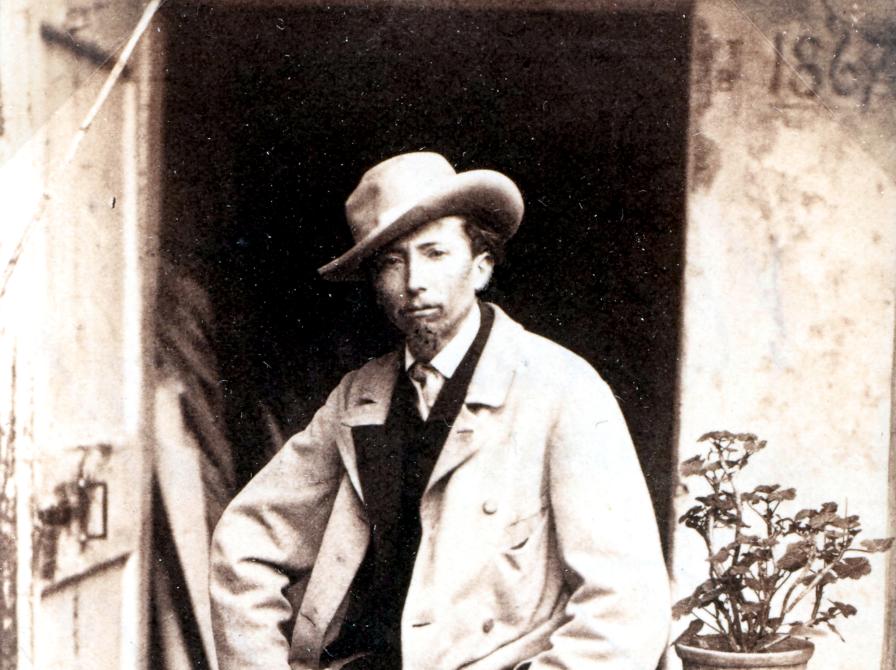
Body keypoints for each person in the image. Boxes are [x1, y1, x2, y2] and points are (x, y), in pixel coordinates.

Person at [209, 152, 671, 670]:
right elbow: (244, 544)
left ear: (481, 265)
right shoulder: (358, 399)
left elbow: (626, 607)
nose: (413, 282)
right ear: (375, 284)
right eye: (391, 262)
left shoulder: (562, 389)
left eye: (434, 253)